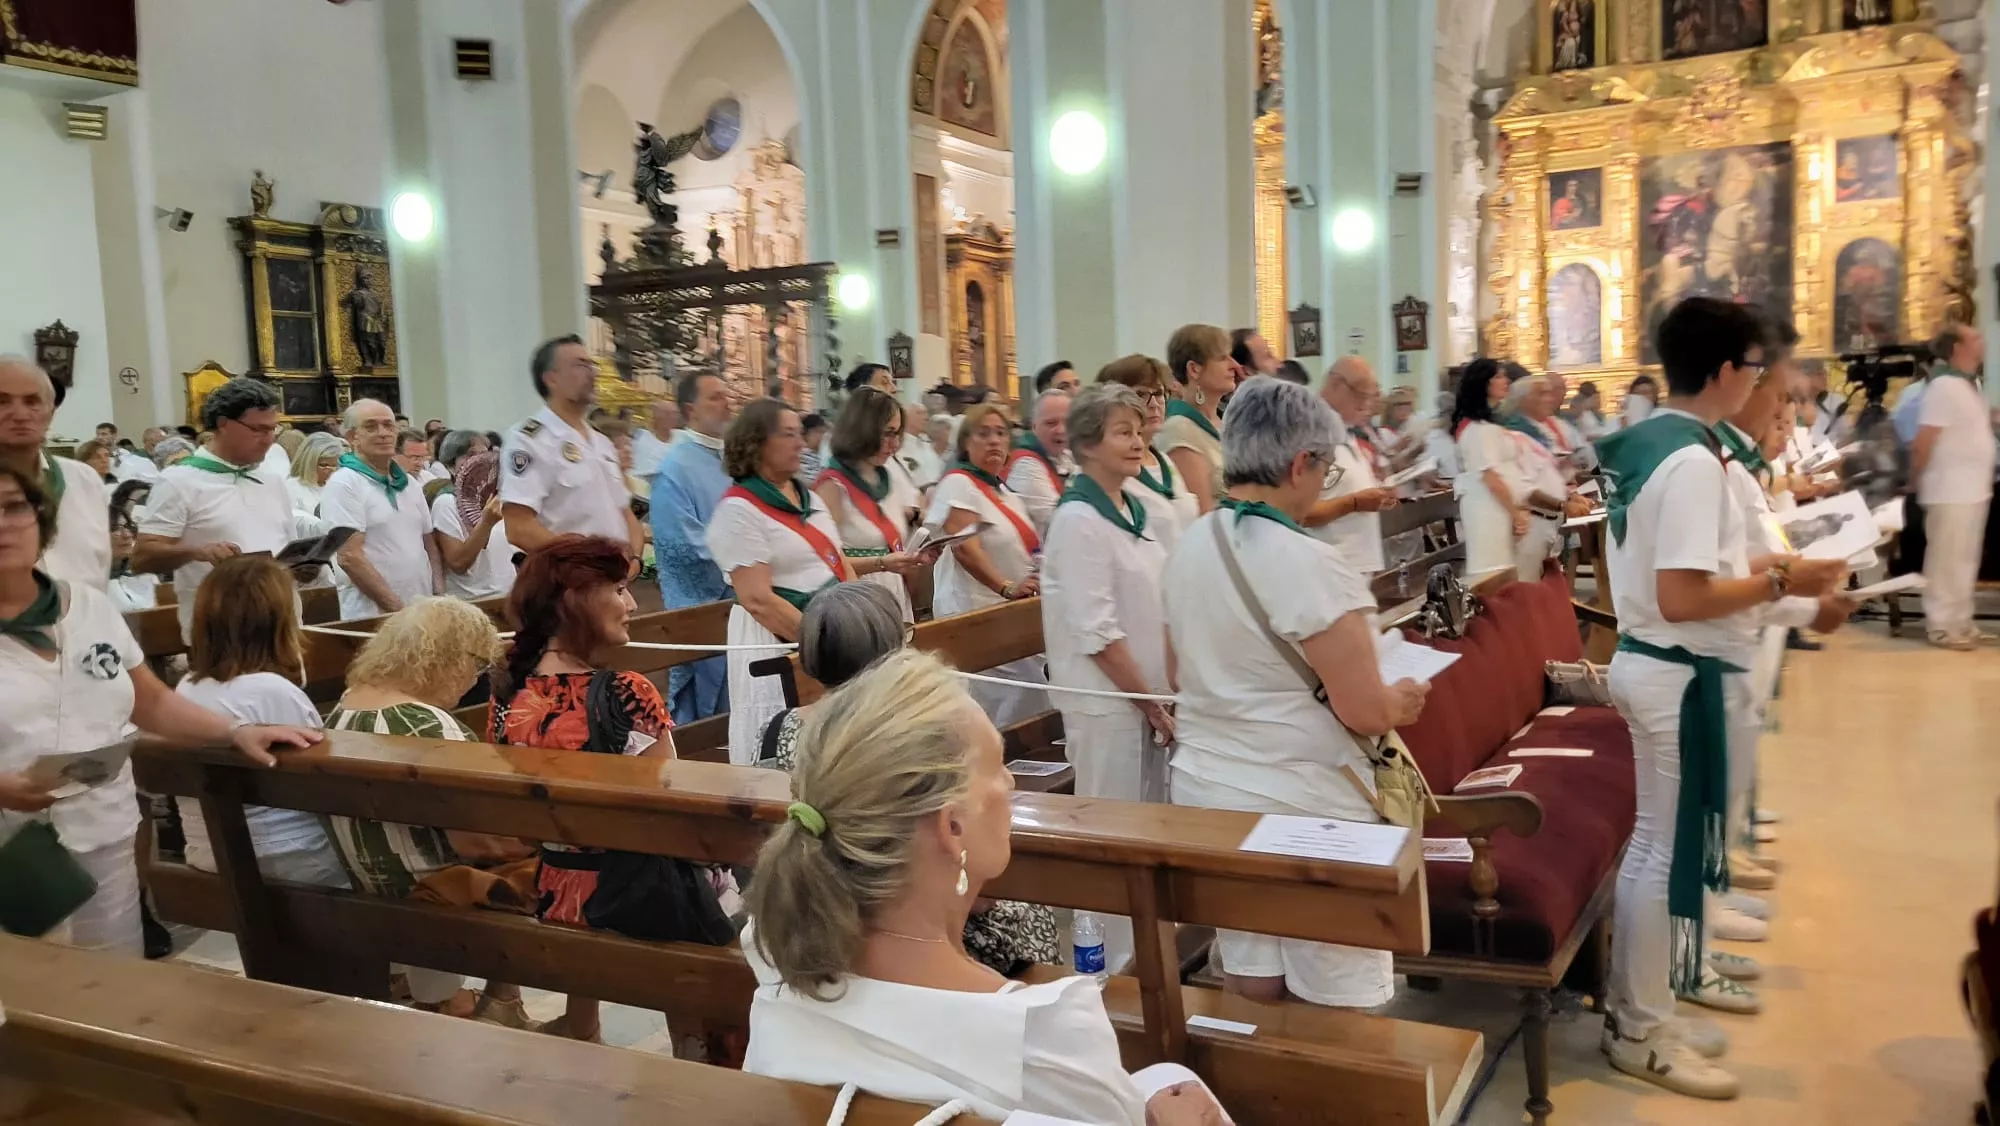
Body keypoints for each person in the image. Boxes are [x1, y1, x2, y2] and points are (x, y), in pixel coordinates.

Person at [740, 650, 1229, 1126]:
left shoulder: (774, 962)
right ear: (952, 828)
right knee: (1176, 1083)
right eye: (996, 764)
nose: (1011, 781)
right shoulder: (1042, 1035)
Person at [1595, 297, 1845, 1099]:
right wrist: (1783, 575)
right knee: (1656, 858)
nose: (1763, 381)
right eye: (1757, 366)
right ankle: (1638, 1027)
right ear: (1729, 370)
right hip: (1672, 666)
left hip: (1659, 664)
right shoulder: (1695, 460)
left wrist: (1784, 587)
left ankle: (1652, 1007)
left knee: (1655, 854)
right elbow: (1682, 596)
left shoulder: (1659, 444)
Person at [1163, 376, 1428, 1011]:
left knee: (1253, 981)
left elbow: (1177, 674)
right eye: (1328, 469)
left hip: (1209, 792)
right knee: (1342, 996)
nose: (1325, 483)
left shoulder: (1192, 543)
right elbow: (1363, 709)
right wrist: (1404, 700)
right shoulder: (1313, 563)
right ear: (1301, 462)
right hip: (1304, 805)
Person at [0, 463, 319, 956]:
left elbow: (151, 702)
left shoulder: (87, 607)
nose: (4, 524)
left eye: (14, 507)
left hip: (103, 832)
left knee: (114, 987)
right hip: (9, 847)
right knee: (23, 1002)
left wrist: (235, 732)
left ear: (41, 519)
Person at [489, 535, 733, 1044]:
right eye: (619, 590)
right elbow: (675, 813)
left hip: (557, 889)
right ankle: (695, 1055)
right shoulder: (626, 692)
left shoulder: (510, 693)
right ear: (576, 601)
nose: (631, 604)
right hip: (639, 897)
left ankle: (585, 1032)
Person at [754, 582, 1061, 975]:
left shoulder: (777, 730)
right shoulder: (906, 735)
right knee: (1028, 912)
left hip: (817, 904)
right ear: (892, 650)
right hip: (899, 917)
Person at [322, 596, 532, 1022]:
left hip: (369, 889)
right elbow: (480, 838)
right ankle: (505, 1004)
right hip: (433, 894)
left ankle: (496, 1000)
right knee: (569, 865)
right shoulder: (427, 725)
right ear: (450, 659)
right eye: (475, 666)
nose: (472, 680)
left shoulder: (344, 709)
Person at [1039, 385, 1171, 973]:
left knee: (1149, 831)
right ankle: (1112, 969)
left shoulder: (1132, 509)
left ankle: (1151, 953)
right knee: (1114, 834)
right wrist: (1149, 702)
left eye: (1140, 429)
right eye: (1123, 431)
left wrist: (1165, 694)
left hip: (1148, 697)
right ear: (1087, 443)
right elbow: (1096, 629)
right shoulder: (1078, 520)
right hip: (1106, 703)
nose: (1138, 440)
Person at [172, 556, 347, 886]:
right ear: (279, 621)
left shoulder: (186, 688)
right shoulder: (273, 691)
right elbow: (325, 784)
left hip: (206, 848)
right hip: (287, 857)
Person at [708, 398, 855, 762]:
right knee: (784, 749)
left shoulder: (810, 499)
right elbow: (758, 600)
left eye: (799, 434)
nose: (800, 444)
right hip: (777, 641)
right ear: (757, 442)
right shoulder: (739, 510)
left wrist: (858, 618)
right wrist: (822, 646)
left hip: (828, 632)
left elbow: (837, 562)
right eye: (788, 435)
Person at [131, 377, 299, 640]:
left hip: (282, 626)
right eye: (258, 430)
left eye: (272, 430)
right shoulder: (179, 480)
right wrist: (198, 551)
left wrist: (303, 567)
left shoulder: (272, 479)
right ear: (223, 424)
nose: (268, 440)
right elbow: (142, 557)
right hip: (222, 632)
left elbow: (285, 546)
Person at [927, 401, 1049, 727]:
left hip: (1011, 614)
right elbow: (965, 547)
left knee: (1027, 699)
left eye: (1000, 433)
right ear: (966, 443)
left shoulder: (1004, 491)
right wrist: (1006, 586)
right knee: (999, 703)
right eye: (984, 434)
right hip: (977, 612)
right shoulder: (958, 483)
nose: (994, 441)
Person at [501, 334, 645, 560]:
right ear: (551, 379)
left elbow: (625, 513)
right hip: (569, 581)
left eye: (591, 365)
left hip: (615, 580)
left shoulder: (601, 443)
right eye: (580, 365)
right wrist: (585, 562)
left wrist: (634, 559)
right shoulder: (530, 440)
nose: (593, 373)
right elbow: (518, 526)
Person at [651, 371, 736, 723]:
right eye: (715, 397)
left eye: (726, 395)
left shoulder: (734, 458)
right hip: (704, 600)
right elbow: (681, 543)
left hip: (741, 598)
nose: (726, 403)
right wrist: (741, 558)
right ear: (691, 409)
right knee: (706, 715)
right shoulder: (675, 467)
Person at [1910, 323, 1993, 650]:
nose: (1981, 341)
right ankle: (1941, 624)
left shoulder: (1968, 385)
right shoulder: (1943, 386)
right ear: (1957, 348)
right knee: (1947, 559)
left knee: (1966, 559)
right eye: (1974, 337)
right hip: (1949, 488)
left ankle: (1962, 621)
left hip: (1974, 488)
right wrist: (1915, 478)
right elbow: (1925, 439)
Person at [813, 388, 929, 622]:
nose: (894, 444)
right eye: (887, 433)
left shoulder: (889, 477)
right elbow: (822, 560)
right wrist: (880, 563)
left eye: (898, 434)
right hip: (856, 598)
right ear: (862, 430)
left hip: (893, 590)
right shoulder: (832, 486)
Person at [321, 398, 442, 618]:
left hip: (420, 609)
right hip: (375, 613)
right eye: (371, 426)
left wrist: (439, 596)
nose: (383, 433)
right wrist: (398, 611)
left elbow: (429, 543)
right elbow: (349, 557)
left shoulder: (409, 483)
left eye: (388, 425)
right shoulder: (345, 483)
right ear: (351, 437)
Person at [0, 357, 109, 590]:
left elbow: (100, 571)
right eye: (2, 401)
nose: (19, 414)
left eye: (32, 401)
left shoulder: (84, 480)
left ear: (50, 414)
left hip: (85, 621)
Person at [1307, 357, 1400, 580]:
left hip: (1355, 567)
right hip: (1330, 568)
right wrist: (1356, 502)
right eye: (1361, 394)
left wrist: (1377, 495)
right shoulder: (1311, 432)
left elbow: (1341, 489)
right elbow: (1301, 512)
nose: (1365, 404)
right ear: (1336, 384)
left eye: (1370, 396)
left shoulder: (1346, 431)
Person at [1096, 355, 1199, 554]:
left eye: (1159, 393)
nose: (1154, 404)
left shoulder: (1164, 461)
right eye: (1141, 395)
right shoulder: (1112, 469)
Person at [1498, 375, 1582, 580]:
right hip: (1532, 521)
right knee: (1526, 586)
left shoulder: (1542, 427)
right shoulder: (1514, 431)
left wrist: (1569, 497)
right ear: (1524, 399)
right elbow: (1523, 486)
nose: (1550, 398)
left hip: (1549, 519)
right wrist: (1563, 504)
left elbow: (1545, 472)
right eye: (1542, 393)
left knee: (1545, 584)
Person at [1452, 359, 1526, 579]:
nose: (1506, 381)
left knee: (1507, 571)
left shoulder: (1489, 424)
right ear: (1482, 383)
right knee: (1492, 573)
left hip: (1499, 506)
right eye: (1499, 376)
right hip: (1487, 507)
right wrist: (1516, 513)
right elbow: (1490, 477)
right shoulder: (1475, 429)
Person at [1160, 324, 1236, 513]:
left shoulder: (1227, 421)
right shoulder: (1179, 429)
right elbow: (1202, 513)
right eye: (1222, 358)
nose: (1234, 365)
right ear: (1194, 369)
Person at [430, 449, 514, 601]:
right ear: (451, 465)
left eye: (485, 455)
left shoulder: (505, 500)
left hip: (508, 597)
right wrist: (486, 523)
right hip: (472, 602)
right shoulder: (447, 503)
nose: (479, 463)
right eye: (470, 456)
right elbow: (459, 563)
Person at [1007, 390, 1073, 537]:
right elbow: (1061, 520)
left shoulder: (1067, 456)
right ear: (1034, 426)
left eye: (1067, 422)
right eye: (1051, 423)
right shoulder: (1025, 465)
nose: (1061, 430)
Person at [286, 431, 348, 520]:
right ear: (309, 463)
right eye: (324, 465)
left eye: (335, 465)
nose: (331, 470)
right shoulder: (291, 487)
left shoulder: (341, 486)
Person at [896, 402, 945, 491]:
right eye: (919, 413)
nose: (926, 417)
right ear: (905, 417)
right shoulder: (898, 446)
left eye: (926, 413)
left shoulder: (927, 445)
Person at [627, 399, 680, 481]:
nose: (671, 417)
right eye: (666, 413)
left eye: (674, 413)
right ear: (655, 415)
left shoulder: (683, 437)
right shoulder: (639, 436)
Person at [797, 413, 828, 480]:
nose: (821, 436)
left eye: (823, 432)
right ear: (805, 432)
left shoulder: (817, 455)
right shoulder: (801, 455)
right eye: (817, 431)